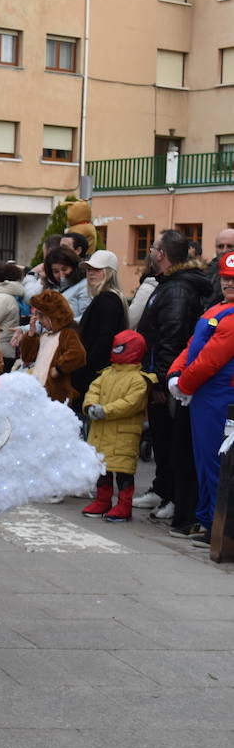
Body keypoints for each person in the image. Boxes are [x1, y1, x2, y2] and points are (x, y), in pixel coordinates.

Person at [135, 229, 211, 535]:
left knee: (169, 441)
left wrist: (160, 382)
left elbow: (173, 335)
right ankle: (163, 489)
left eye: (153, 248)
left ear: (161, 255)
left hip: (166, 380)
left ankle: (173, 498)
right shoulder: (168, 285)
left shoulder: (177, 290)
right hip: (160, 375)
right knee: (163, 439)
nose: (150, 253)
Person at [167, 251, 234, 547]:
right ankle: (209, 523)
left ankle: (217, 529)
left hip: (217, 397)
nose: (228, 284)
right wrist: (176, 376)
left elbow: (210, 361)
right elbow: (193, 347)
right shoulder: (218, 308)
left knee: (216, 463)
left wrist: (183, 383)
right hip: (203, 395)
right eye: (225, 278)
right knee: (205, 461)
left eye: (233, 280)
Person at [82, 330, 155, 522]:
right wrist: (90, 405)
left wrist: (106, 410)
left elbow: (131, 403)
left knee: (123, 473)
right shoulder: (107, 373)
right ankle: (103, 500)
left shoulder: (139, 379)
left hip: (123, 434)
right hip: (101, 432)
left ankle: (124, 505)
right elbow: (93, 390)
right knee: (102, 470)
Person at [72, 250, 128, 405]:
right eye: (89, 269)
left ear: (108, 272)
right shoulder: (108, 297)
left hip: (94, 374)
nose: (91, 273)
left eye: (97, 269)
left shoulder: (107, 299)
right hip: (95, 372)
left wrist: (84, 365)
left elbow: (105, 338)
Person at [17, 290, 85, 405]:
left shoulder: (66, 334)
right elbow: (28, 357)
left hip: (55, 395)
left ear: (54, 316)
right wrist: (31, 334)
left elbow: (78, 354)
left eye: (42, 316)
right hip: (38, 391)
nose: (39, 319)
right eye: (37, 315)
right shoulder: (45, 336)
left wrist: (59, 368)